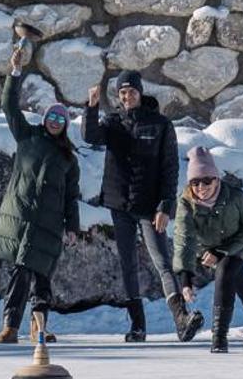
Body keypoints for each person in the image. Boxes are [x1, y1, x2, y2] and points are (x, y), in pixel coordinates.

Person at [84, 69, 200, 343]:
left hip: (150, 206)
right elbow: (90, 136)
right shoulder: (113, 123)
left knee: (162, 262)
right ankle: (137, 326)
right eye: (122, 93)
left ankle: (181, 319)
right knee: (128, 263)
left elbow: (170, 169)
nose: (127, 97)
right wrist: (90, 108)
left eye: (132, 92)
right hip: (119, 203)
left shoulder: (160, 124)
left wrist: (165, 206)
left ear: (140, 92)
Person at [0, 44, 81, 344]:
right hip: (23, 218)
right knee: (21, 271)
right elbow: (9, 106)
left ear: (65, 125)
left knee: (42, 276)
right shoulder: (27, 136)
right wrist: (15, 72)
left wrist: (73, 227)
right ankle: (10, 327)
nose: (55, 122)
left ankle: (37, 326)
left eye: (60, 120)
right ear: (45, 120)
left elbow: (71, 196)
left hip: (50, 225)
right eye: (52, 118)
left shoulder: (69, 158)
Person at [173, 146, 243, 352]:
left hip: (240, 242)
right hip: (210, 247)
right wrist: (185, 280)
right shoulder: (186, 203)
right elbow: (183, 240)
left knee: (225, 271)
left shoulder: (235, 197)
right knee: (239, 280)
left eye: (206, 181)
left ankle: (219, 338)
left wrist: (222, 252)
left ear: (216, 179)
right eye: (195, 182)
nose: (201, 187)